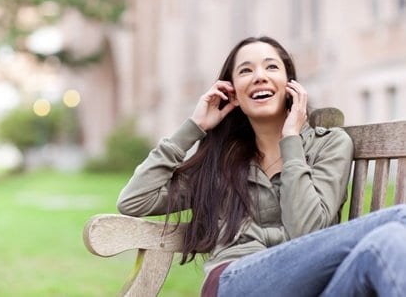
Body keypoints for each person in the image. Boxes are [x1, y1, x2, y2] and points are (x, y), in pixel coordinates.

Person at [117, 36, 406, 296]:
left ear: (290, 85)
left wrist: (291, 138)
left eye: (271, 67)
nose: (259, 77)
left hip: (315, 286)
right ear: (233, 93)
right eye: (245, 70)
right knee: (400, 218)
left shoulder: (329, 145)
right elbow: (134, 200)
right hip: (236, 281)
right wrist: (194, 127)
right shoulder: (220, 160)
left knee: (389, 241)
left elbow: (306, 234)